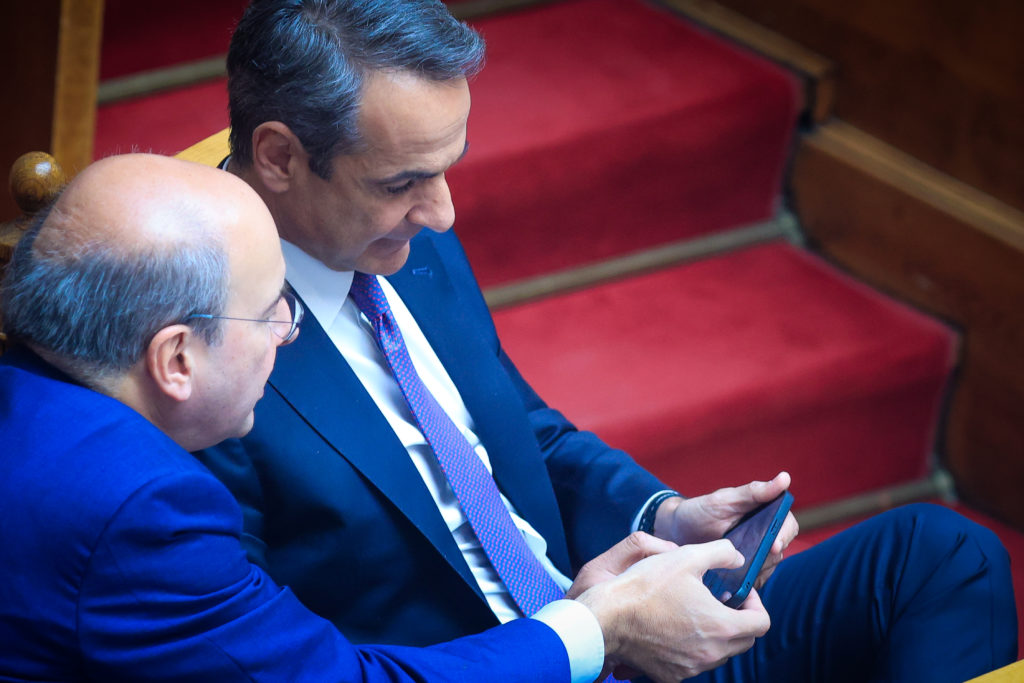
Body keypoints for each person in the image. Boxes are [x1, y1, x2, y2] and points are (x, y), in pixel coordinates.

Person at [196, 0, 1019, 680]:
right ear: (280, 158)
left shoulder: (397, 235)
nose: (443, 213)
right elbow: (289, 662)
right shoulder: (197, 357)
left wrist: (667, 517)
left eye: (446, 167)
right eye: (404, 182)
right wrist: (583, 635)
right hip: (511, 663)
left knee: (942, 552)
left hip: (611, 635)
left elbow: (525, 434)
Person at [0, 153, 769, 683]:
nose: (290, 333)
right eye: (270, 313)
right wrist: (596, 628)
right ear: (175, 359)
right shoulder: (140, 510)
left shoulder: (41, 402)